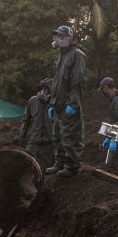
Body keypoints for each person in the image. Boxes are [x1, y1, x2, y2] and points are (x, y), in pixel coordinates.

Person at [45, 25, 86, 177]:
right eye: (56, 36)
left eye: (61, 36)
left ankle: (73, 165)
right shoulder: (60, 56)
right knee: (57, 135)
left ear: (69, 38)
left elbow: (77, 82)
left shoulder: (77, 55)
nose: (57, 39)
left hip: (70, 103)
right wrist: (51, 103)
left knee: (70, 135)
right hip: (57, 103)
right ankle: (59, 163)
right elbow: (56, 82)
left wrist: (73, 104)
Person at [18, 79, 54, 169]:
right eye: (43, 89)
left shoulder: (54, 103)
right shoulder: (33, 101)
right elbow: (26, 120)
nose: (44, 92)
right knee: (26, 165)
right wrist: (22, 135)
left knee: (47, 170)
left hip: (48, 143)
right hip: (34, 142)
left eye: (47, 90)